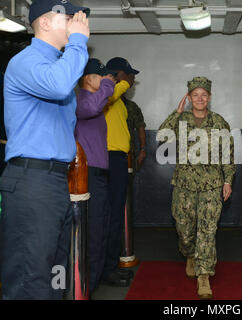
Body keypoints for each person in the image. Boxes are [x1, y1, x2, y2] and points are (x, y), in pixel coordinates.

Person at [0, 0, 90, 299]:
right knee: (31, 277)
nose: (78, 23)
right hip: (31, 181)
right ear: (46, 23)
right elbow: (59, 86)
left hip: (53, 182)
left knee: (56, 273)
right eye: (71, 18)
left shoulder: (58, 66)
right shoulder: (26, 61)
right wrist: (78, 42)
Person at [159, 76, 235, 299]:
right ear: (189, 98)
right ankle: (190, 253)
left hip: (212, 185)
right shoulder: (181, 120)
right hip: (184, 184)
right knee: (184, 228)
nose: (200, 98)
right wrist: (176, 112)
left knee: (208, 230)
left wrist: (228, 180)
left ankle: (204, 276)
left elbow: (228, 155)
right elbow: (163, 137)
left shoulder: (219, 122)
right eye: (195, 95)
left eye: (204, 95)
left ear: (209, 98)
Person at [75, 58, 116, 297]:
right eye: (102, 76)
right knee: (92, 235)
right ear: (88, 78)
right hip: (86, 177)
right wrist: (108, 86)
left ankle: (92, 285)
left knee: (100, 232)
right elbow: (90, 109)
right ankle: (85, 287)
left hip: (99, 176)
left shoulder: (95, 103)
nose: (106, 80)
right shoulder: (80, 100)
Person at [100, 57, 139, 286]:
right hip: (109, 159)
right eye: (130, 75)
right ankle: (107, 269)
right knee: (111, 216)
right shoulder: (108, 92)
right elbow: (112, 91)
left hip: (117, 159)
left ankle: (110, 265)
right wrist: (120, 80)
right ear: (120, 75)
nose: (133, 79)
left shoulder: (118, 99)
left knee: (115, 216)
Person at [122, 96, 147, 171]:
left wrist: (143, 150)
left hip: (129, 153)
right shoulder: (106, 105)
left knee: (128, 180)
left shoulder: (131, 107)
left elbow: (141, 127)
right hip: (109, 151)